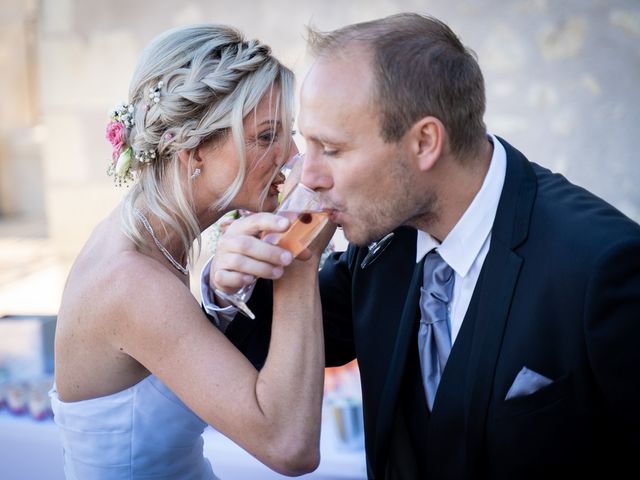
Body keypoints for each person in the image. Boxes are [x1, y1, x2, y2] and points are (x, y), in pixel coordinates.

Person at [204, 12, 640, 480]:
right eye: (304, 144)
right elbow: (272, 349)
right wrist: (225, 285)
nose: (306, 176)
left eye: (330, 149)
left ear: (425, 142)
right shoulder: (380, 243)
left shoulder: (604, 265)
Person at [50, 24, 331, 479]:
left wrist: (220, 297)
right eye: (266, 137)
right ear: (192, 148)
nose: (292, 155)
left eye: (289, 133)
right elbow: (290, 446)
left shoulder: (146, 232)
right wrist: (299, 254)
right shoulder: (132, 283)